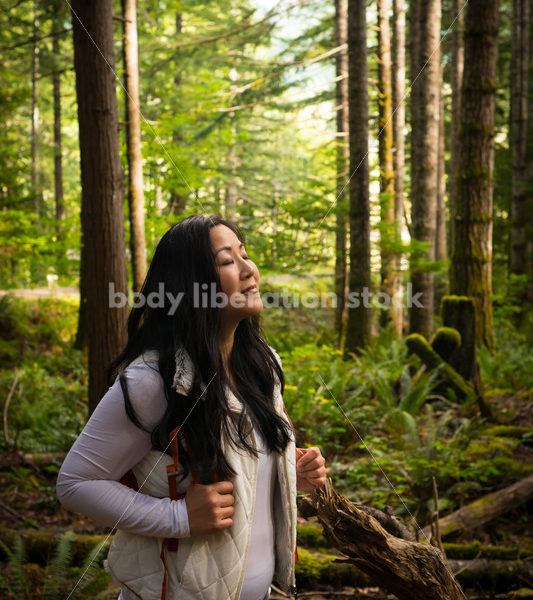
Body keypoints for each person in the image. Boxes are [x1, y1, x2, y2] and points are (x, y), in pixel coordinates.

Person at [57, 214, 327, 600]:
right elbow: (74, 483)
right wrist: (178, 518)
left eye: (245, 254)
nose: (250, 269)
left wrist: (287, 474)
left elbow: (243, 483)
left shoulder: (264, 365)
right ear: (191, 284)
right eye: (228, 261)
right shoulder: (153, 381)